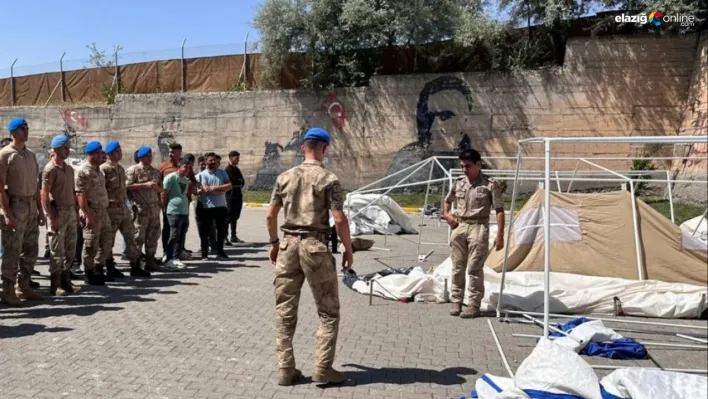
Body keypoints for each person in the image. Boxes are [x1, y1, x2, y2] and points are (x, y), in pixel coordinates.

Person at [266, 127, 354, 385]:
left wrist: (274, 243)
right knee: (328, 311)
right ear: (324, 149)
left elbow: (270, 215)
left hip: (287, 246)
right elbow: (338, 219)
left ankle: (285, 369)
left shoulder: (284, 177)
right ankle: (323, 368)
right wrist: (348, 249)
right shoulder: (329, 179)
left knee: (285, 310)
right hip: (316, 246)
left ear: (303, 147)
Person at [442, 148, 505, 318]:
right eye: (462, 166)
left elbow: (499, 210)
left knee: (474, 268)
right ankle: (456, 301)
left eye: (468, 166)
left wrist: (500, 235)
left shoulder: (490, 184)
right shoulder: (459, 182)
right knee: (457, 266)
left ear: (478, 164)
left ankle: (473, 304)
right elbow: (447, 201)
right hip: (459, 226)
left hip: (478, 226)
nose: (464, 169)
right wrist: (448, 216)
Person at [0, 117, 46, 305]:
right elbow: (0, 188)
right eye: (21, 129)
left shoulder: (31, 155)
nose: (26, 131)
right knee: (12, 250)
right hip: (15, 205)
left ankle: (24, 285)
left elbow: (36, 185)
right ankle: (7, 290)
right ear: (13, 132)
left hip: (30, 206)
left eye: (27, 128)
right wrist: (6, 213)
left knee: (31, 248)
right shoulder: (5, 154)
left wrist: (40, 211)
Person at [101, 141, 151, 278]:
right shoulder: (103, 169)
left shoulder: (121, 169)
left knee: (131, 238)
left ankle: (135, 266)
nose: (120, 153)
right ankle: (109, 266)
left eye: (120, 151)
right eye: (117, 151)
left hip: (123, 209)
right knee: (108, 241)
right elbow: (101, 190)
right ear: (110, 154)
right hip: (110, 210)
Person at [41, 134, 81, 296]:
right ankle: (54, 284)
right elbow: (44, 194)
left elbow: (73, 192)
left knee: (70, 249)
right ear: (57, 149)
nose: (67, 151)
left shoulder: (69, 169)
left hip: (70, 211)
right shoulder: (50, 169)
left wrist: (77, 213)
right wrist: (51, 217)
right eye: (65, 148)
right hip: (57, 212)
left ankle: (66, 281)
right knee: (57, 250)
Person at [75, 141, 112, 285]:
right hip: (92, 212)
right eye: (97, 153)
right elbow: (80, 195)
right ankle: (89, 272)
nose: (100, 156)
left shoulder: (99, 170)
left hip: (103, 212)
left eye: (101, 153)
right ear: (90, 154)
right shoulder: (83, 171)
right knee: (90, 244)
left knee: (107, 242)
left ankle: (98, 267)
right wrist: (88, 216)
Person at [126, 146, 164, 272]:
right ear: (141, 157)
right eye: (147, 156)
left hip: (153, 208)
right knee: (138, 237)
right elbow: (127, 186)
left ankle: (150, 260)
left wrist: (157, 189)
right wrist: (145, 185)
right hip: (140, 209)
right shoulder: (133, 170)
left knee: (153, 236)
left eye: (151, 156)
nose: (150, 158)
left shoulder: (155, 171)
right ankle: (135, 263)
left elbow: (160, 189)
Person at [196, 152, 231, 259]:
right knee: (205, 232)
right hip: (207, 208)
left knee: (222, 230)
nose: (213, 162)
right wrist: (221, 188)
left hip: (221, 207)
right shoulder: (201, 175)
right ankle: (204, 253)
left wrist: (215, 189)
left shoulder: (222, 172)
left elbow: (229, 185)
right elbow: (206, 189)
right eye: (211, 160)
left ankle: (220, 251)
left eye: (214, 160)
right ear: (206, 162)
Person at [161, 158, 191, 269]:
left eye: (189, 168)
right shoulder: (171, 178)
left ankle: (176, 257)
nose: (187, 170)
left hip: (184, 211)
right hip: (173, 211)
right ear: (179, 166)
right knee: (173, 235)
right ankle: (168, 258)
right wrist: (164, 208)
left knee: (181, 236)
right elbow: (164, 194)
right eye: (185, 167)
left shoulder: (186, 180)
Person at [159, 142, 182, 257]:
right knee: (168, 228)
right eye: (169, 152)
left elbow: (192, 181)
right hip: (168, 204)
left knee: (181, 228)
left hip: (182, 204)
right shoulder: (164, 166)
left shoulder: (184, 165)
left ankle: (178, 251)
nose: (170, 154)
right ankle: (166, 252)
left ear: (179, 153)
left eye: (173, 152)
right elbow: (159, 184)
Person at [224, 150, 245, 244]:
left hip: (238, 195)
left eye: (238, 158)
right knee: (229, 217)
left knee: (235, 217)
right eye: (236, 158)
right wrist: (237, 182)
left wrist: (238, 182)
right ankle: (224, 236)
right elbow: (232, 181)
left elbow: (242, 181)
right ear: (230, 158)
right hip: (230, 196)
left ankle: (233, 235)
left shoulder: (236, 169)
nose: (238, 160)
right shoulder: (227, 170)